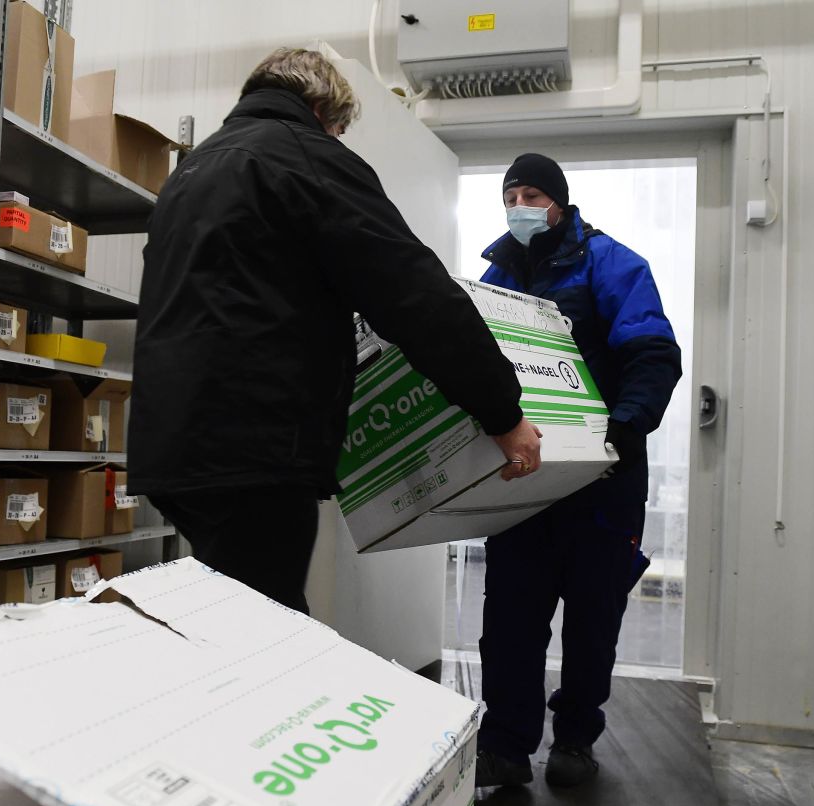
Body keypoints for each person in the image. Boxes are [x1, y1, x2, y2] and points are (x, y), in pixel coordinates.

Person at [127, 48, 542, 614]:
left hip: (172, 448)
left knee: (234, 617)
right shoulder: (305, 156)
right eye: (342, 130)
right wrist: (503, 411)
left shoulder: (191, 171)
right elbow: (415, 295)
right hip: (254, 449)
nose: (340, 142)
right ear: (323, 109)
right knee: (268, 636)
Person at [473, 153, 682, 789]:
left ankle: (574, 741)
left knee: (592, 621)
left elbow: (653, 353)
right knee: (510, 617)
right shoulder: (494, 277)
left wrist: (622, 429)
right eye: (511, 193)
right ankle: (506, 747)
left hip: (604, 482)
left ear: (558, 202)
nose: (520, 204)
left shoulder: (612, 263)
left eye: (531, 193)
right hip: (526, 475)